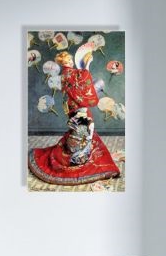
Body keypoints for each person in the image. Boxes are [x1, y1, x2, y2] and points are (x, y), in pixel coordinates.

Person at [28, 47, 120, 186]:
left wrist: (85, 67)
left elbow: (79, 80)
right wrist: (87, 64)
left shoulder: (65, 74)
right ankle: (78, 157)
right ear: (64, 62)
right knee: (85, 127)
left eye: (71, 60)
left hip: (72, 105)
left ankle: (81, 152)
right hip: (77, 105)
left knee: (81, 128)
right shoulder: (69, 73)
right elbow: (83, 77)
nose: (71, 62)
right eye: (69, 60)